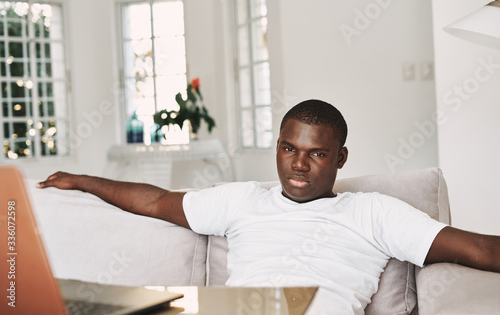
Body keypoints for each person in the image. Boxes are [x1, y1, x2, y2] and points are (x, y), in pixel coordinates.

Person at [37, 99, 500, 314]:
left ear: (339, 158)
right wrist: (82, 179)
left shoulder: (374, 212)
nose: (298, 165)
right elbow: (157, 201)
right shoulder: (242, 200)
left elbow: (479, 250)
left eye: (316, 153)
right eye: (287, 148)